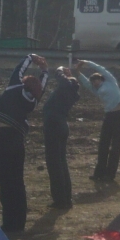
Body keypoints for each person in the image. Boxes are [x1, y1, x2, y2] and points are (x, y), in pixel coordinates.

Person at [0, 54, 48, 233]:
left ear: (23, 83)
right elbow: (42, 86)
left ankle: (8, 223)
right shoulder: (34, 99)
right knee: (17, 181)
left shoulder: (15, 88)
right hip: (17, 139)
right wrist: (44, 70)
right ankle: (19, 223)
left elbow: (18, 70)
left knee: (5, 182)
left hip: (2, 137)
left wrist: (30, 57)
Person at [76, 59, 120, 182]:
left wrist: (86, 62)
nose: (94, 83)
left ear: (101, 79)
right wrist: (77, 71)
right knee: (103, 145)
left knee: (115, 147)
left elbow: (101, 69)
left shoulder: (110, 81)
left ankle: (110, 174)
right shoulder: (96, 89)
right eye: (93, 81)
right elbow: (85, 83)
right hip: (109, 116)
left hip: (119, 115)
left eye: (96, 80)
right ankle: (99, 173)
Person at [41, 65, 81, 209]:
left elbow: (59, 76)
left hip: (54, 125)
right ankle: (65, 197)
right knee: (61, 162)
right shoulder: (70, 92)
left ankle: (60, 199)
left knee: (54, 163)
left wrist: (61, 69)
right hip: (61, 125)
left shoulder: (65, 88)